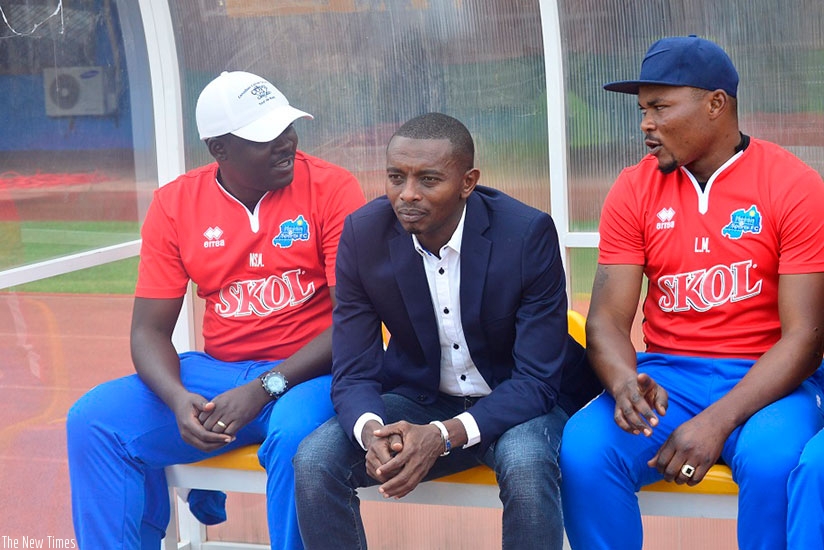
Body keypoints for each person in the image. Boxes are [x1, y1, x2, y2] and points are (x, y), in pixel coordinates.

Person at [66, 70, 366, 549]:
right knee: (94, 421)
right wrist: (176, 400)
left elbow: (354, 322)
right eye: (265, 136)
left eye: (288, 126)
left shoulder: (331, 188)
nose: (287, 142)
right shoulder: (176, 203)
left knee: (297, 442)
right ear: (219, 149)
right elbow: (148, 332)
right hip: (219, 375)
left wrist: (264, 388)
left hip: (312, 374)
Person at [559, 35, 824, 550]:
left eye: (660, 107)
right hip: (669, 377)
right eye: (642, 110)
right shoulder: (633, 187)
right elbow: (607, 321)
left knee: (776, 461)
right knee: (585, 450)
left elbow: (806, 338)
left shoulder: (792, 184)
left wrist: (716, 422)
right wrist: (624, 384)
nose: (645, 125)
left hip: (771, 380)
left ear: (715, 103)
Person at [292, 112, 600, 550]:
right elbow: (354, 370)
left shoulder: (526, 234)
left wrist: (442, 436)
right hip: (421, 396)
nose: (407, 195)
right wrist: (372, 433)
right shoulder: (364, 235)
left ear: (468, 182)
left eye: (428, 180)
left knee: (527, 463)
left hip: (519, 400)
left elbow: (536, 381)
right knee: (315, 460)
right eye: (396, 177)